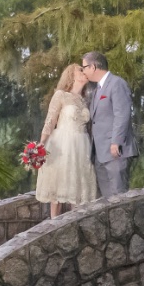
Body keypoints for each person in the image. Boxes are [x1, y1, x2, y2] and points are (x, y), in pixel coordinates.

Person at [36, 63, 98, 217]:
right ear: (71, 75)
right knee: (57, 189)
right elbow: (50, 121)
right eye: (80, 70)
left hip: (82, 146)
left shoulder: (85, 100)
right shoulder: (61, 95)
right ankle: (53, 225)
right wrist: (40, 145)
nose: (84, 73)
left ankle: (74, 226)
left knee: (77, 189)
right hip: (62, 145)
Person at [80, 51, 138, 196]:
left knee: (119, 197)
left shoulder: (117, 83)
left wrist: (115, 142)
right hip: (100, 154)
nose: (83, 71)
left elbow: (122, 114)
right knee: (107, 201)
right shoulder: (97, 89)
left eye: (84, 67)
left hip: (115, 152)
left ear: (93, 67)